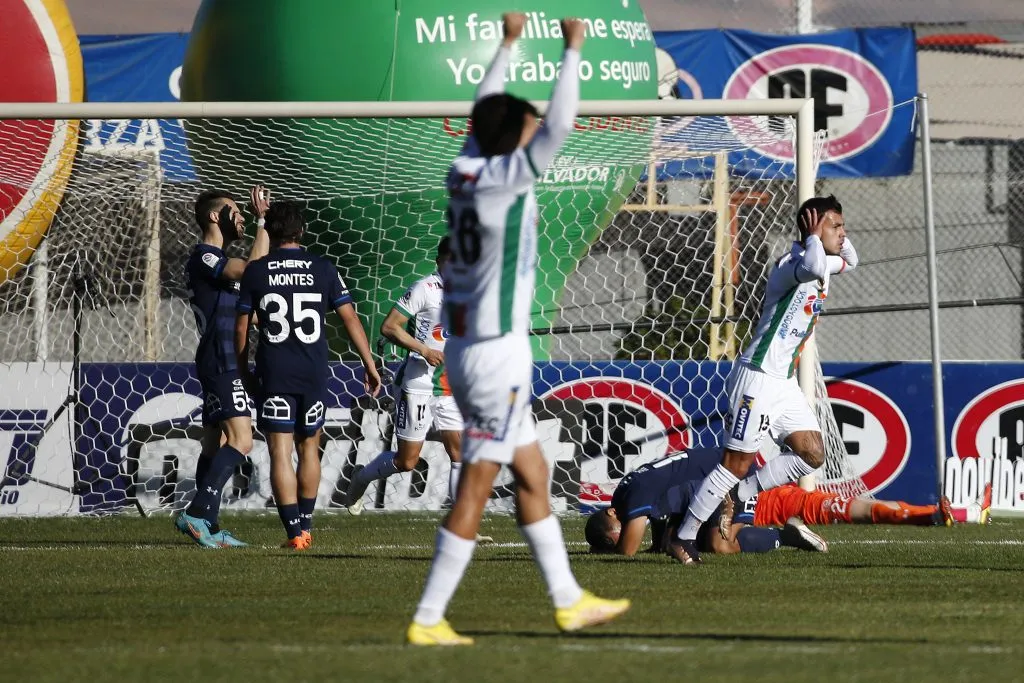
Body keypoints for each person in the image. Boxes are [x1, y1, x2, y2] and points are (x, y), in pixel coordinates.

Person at [406, 13, 630, 647]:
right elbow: (559, 124)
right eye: (526, 125)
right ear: (513, 137)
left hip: (476, 347)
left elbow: (484, 108)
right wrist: (571, 48)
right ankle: (428, 618)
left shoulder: (465, 168)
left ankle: (568, 601)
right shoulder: (508, 176)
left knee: (533, 476)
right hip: (493, 356)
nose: (537, 130)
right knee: (476, 489)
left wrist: (506, 44)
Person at [671, 195, 859, 564]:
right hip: (757, 378)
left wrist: (829, 234)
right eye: (836, 226)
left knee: (812, 453)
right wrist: (812, 235)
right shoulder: (791, 265)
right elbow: (813, 265)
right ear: (813, 228)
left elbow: (852, 261)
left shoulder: (820, 260)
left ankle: (743, 494)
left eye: (843, 226)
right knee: (735, 462)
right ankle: (683, 536)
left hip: (783, 383)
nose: (843, 232)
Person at [235, 200, 381, 549]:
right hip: (314, 369)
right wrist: (369, 363)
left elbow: (240, 328)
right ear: (301, 231)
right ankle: (307, 526)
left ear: (270, 232)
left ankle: (294, 533)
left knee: (280, 451)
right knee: (310, 446)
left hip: (275, 369)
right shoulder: (323, 267)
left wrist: (242, 371)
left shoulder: (256, 271)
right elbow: (349, 317)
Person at [175, 185, 270, 548]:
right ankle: (197, 513)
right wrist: (262, 222)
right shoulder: (205, 256)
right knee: (242, 440)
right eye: (236, 210)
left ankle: (209, 526)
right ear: (216, 216)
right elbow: (252, 271)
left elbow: (251, 289)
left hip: (222, 356)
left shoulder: (220, 266)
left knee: (216, 443)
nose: (241, 216)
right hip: (222, 357)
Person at [345, 237, 464, 514]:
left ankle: (463, 526)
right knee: (406, 461)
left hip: (449, 385)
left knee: (460, 454)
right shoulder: (425, 288)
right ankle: (362, 477)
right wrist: (424, 349)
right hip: (418, 383)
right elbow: (389, 327)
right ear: (440, 261)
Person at [584, 448, 829, 557]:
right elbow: (660, 510)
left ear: (612, 513)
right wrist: (659, 544)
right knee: (688, 543)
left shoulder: (634, 495)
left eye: (614, 535)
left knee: (720, 546)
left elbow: (628, 550)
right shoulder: (629, 494)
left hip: (732, 475)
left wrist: (608, 551)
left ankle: (786, 536)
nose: (623, 534)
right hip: (704, 486)